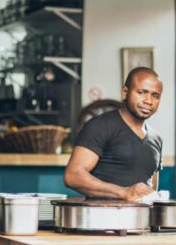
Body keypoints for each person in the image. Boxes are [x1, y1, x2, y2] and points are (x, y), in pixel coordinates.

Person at [64, 67, 163, 202]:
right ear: (125, 92)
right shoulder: (100, 126)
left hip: (142, 222)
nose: (148, 101)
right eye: (141, 92)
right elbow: (72, 176)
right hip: (103, 220)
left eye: (155, 95)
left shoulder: (156, 138)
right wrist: (123, 192)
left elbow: (150, 189)